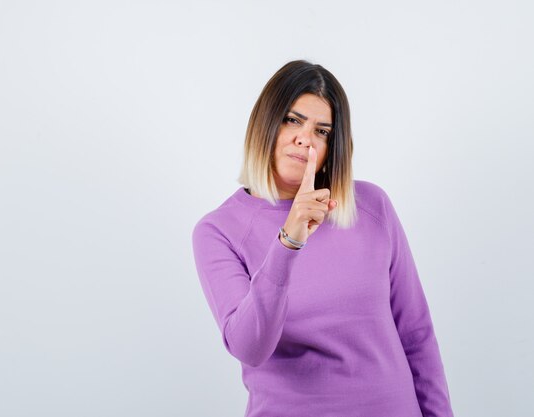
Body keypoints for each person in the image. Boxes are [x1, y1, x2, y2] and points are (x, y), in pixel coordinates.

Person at [191, 59, 454, 417]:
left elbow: (417, 334)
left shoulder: (371, 206)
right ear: (264, 123)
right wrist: (288, 242)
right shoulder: (219, 231)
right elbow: (250, 346)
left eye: (322, 131)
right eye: (292, 119)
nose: (305, 138)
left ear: (333, 147)